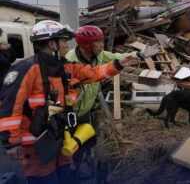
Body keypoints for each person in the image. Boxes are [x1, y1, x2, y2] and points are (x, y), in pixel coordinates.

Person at [0, 20, 138, 184]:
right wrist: (11, 143)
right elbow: (10, 107)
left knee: (67, 177)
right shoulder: (26, 69)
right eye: (64, 41)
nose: (67, 45)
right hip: (37, 145)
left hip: (61, 138)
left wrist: (119, 64)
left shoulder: (65, 67)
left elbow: (94, 73)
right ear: (52, 44)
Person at [65, 25, 159, 181]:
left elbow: (117, 56)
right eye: (98, 42)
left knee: (92, 141)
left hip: (89, 110)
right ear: (87, 45)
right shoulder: (70, 61)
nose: (102, 45)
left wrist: (139, 54)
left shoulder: (100, 55)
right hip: (72, 115)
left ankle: (93, 168)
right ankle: (74, 172)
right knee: (73, 149)